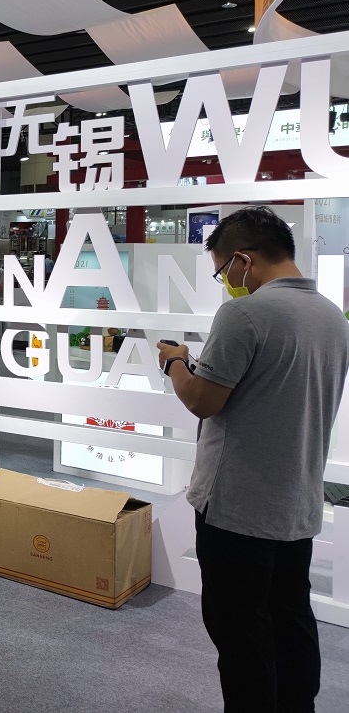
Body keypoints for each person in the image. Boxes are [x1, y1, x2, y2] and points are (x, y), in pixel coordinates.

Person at [157, 206, 349, 713]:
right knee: (291, 619)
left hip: (236, 507)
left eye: (223, 270)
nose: (226, 281)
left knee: (240, 633)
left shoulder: (244, 314)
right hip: (296, 503)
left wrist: (175, 363)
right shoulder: (332, 315)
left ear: (243, 260)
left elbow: (203, 400)